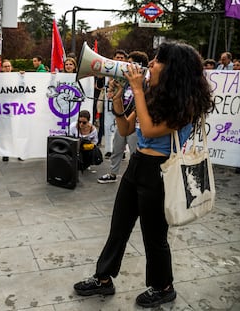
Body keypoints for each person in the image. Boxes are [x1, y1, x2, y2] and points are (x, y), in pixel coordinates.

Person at [73, 41, 214, 308]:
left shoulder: (186, 104)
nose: (150, 64)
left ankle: (164, 286)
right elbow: (126, 129)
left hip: (161, 172)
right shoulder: (151, 94)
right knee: (118, 228)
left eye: (157, 60)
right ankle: (103, 279)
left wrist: (136, 88)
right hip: (137, 166)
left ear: (174, 68)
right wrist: (117, 98)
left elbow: (148, 131)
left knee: (154, 236)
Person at [97, 50, 149, 184]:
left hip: (136, 122)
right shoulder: (125, 81)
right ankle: (113, 173)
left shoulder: (145, 83)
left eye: (130, 63)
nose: (126, 66)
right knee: (117, 148)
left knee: (134, 151)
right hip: (123, 119)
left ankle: (135, 176)